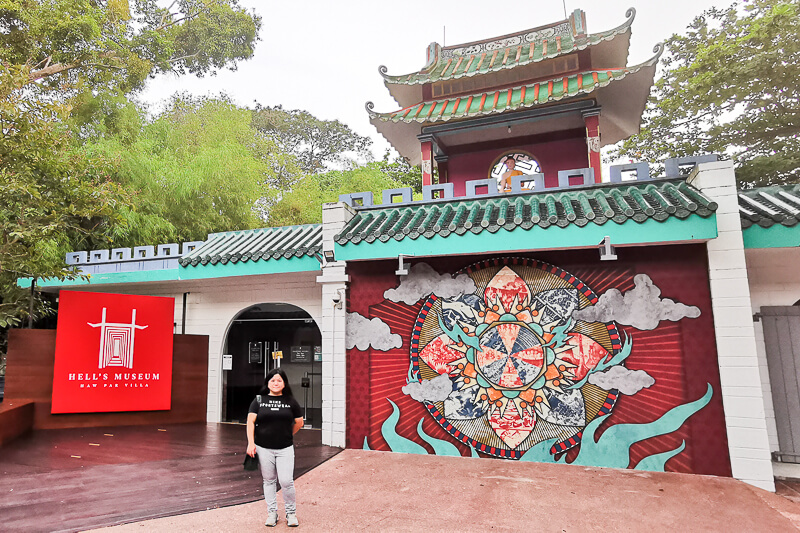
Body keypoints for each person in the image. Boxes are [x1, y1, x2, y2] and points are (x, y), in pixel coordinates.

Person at [247, 368, 304, 527]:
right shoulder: (258, 400)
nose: (276, 383)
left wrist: (288, 434)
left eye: (279, 380)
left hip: (285, 448)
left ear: (284, 383)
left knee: (286, 481)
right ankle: (272, 513)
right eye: (272, 380)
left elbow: (299, 422)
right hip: (264, 448)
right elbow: (250, 422)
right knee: (269, 481)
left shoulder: (290, 401)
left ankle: (291, 513)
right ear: (268, 383)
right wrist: (251, 443)